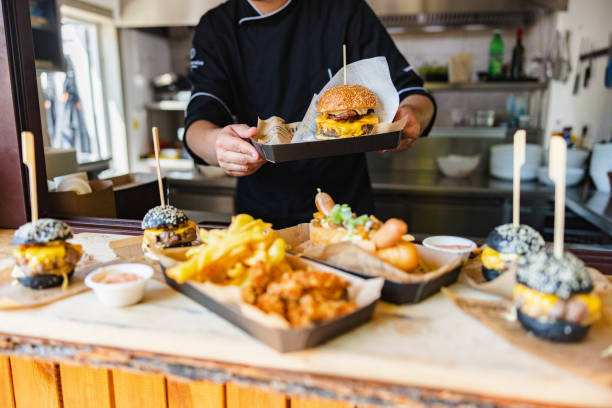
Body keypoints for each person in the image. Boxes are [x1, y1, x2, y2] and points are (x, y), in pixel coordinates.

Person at [184, 0, 436, 228]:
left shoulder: (345, 9)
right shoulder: (216, 26)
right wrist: (217, 143)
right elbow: (200, 119)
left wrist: (413, 115)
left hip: (346, 213)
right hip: (261, 219)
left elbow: (413, 92)